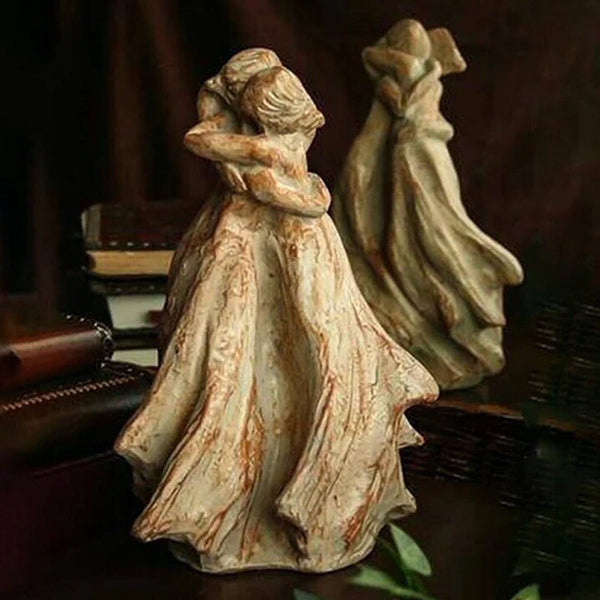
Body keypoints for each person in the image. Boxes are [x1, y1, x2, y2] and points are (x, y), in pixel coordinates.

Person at [115, 52, 437, 573]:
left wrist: (272, 169)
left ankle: (307, 498)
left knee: (316, 356)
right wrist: (261, 157)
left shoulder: (273, 146)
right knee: (232, 360)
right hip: (248, 240)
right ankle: (232, 502)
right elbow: (208, 140)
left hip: (292, 244)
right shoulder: (263, 137)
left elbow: (289, 191)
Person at [332, 20, 524, 390]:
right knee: (394, 229)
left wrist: (404, 70)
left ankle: (453, 318)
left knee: (433, 229)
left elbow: (396, 94)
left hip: (419, 153)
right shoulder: (416, 75)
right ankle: (400, 316)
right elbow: (378, 68)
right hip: (406, 151)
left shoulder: (414, 75)